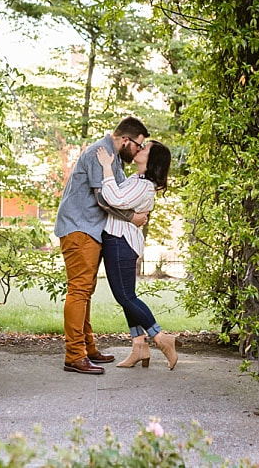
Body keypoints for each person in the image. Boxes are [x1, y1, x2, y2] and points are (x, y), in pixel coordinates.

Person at [54, 116, 150, 375]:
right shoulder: (102, 151)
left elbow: (117, 196)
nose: (140, 150)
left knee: (85, 291)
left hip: (89, 230)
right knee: (79, 290)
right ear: (125, 140)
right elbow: (104, 199)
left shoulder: (115, 158)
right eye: (139, 145)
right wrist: (133, 217)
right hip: (79, 228)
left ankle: (87, 348)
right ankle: (74, 355)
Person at [95, 140, 179, 369]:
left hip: (120, 241)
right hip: (119, 240)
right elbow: (112, 200)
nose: (140, 148)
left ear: (153, 159)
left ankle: (161, 337)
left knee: (125, 297)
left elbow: (113, 199)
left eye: (146, 148)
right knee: (128, 296)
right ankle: (139, 346)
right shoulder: (137, 180)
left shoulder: (144, 185)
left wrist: (105, 167)